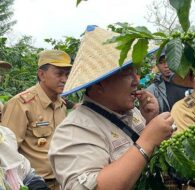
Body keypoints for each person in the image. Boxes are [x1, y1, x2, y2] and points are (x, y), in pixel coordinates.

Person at [49, 25, 175, 190]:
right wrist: (148, 139)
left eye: (134, 72)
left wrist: (150, 120)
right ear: (99, 83)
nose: (136, 81)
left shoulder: (133, 112)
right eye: (126, 73)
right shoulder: (74, 130)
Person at [1, 50, 72, 190]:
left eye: (66, 74)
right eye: (59, 74)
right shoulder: (21, 104)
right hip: (36, 184)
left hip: (62, 182)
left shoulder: (61, 105)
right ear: (41, 74)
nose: (64, 79)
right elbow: (6, 152)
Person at [0, 61, 49, 190]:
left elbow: (22, 169)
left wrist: (35, 183)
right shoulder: (20, 103)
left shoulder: (4, 134)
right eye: (59, 73)